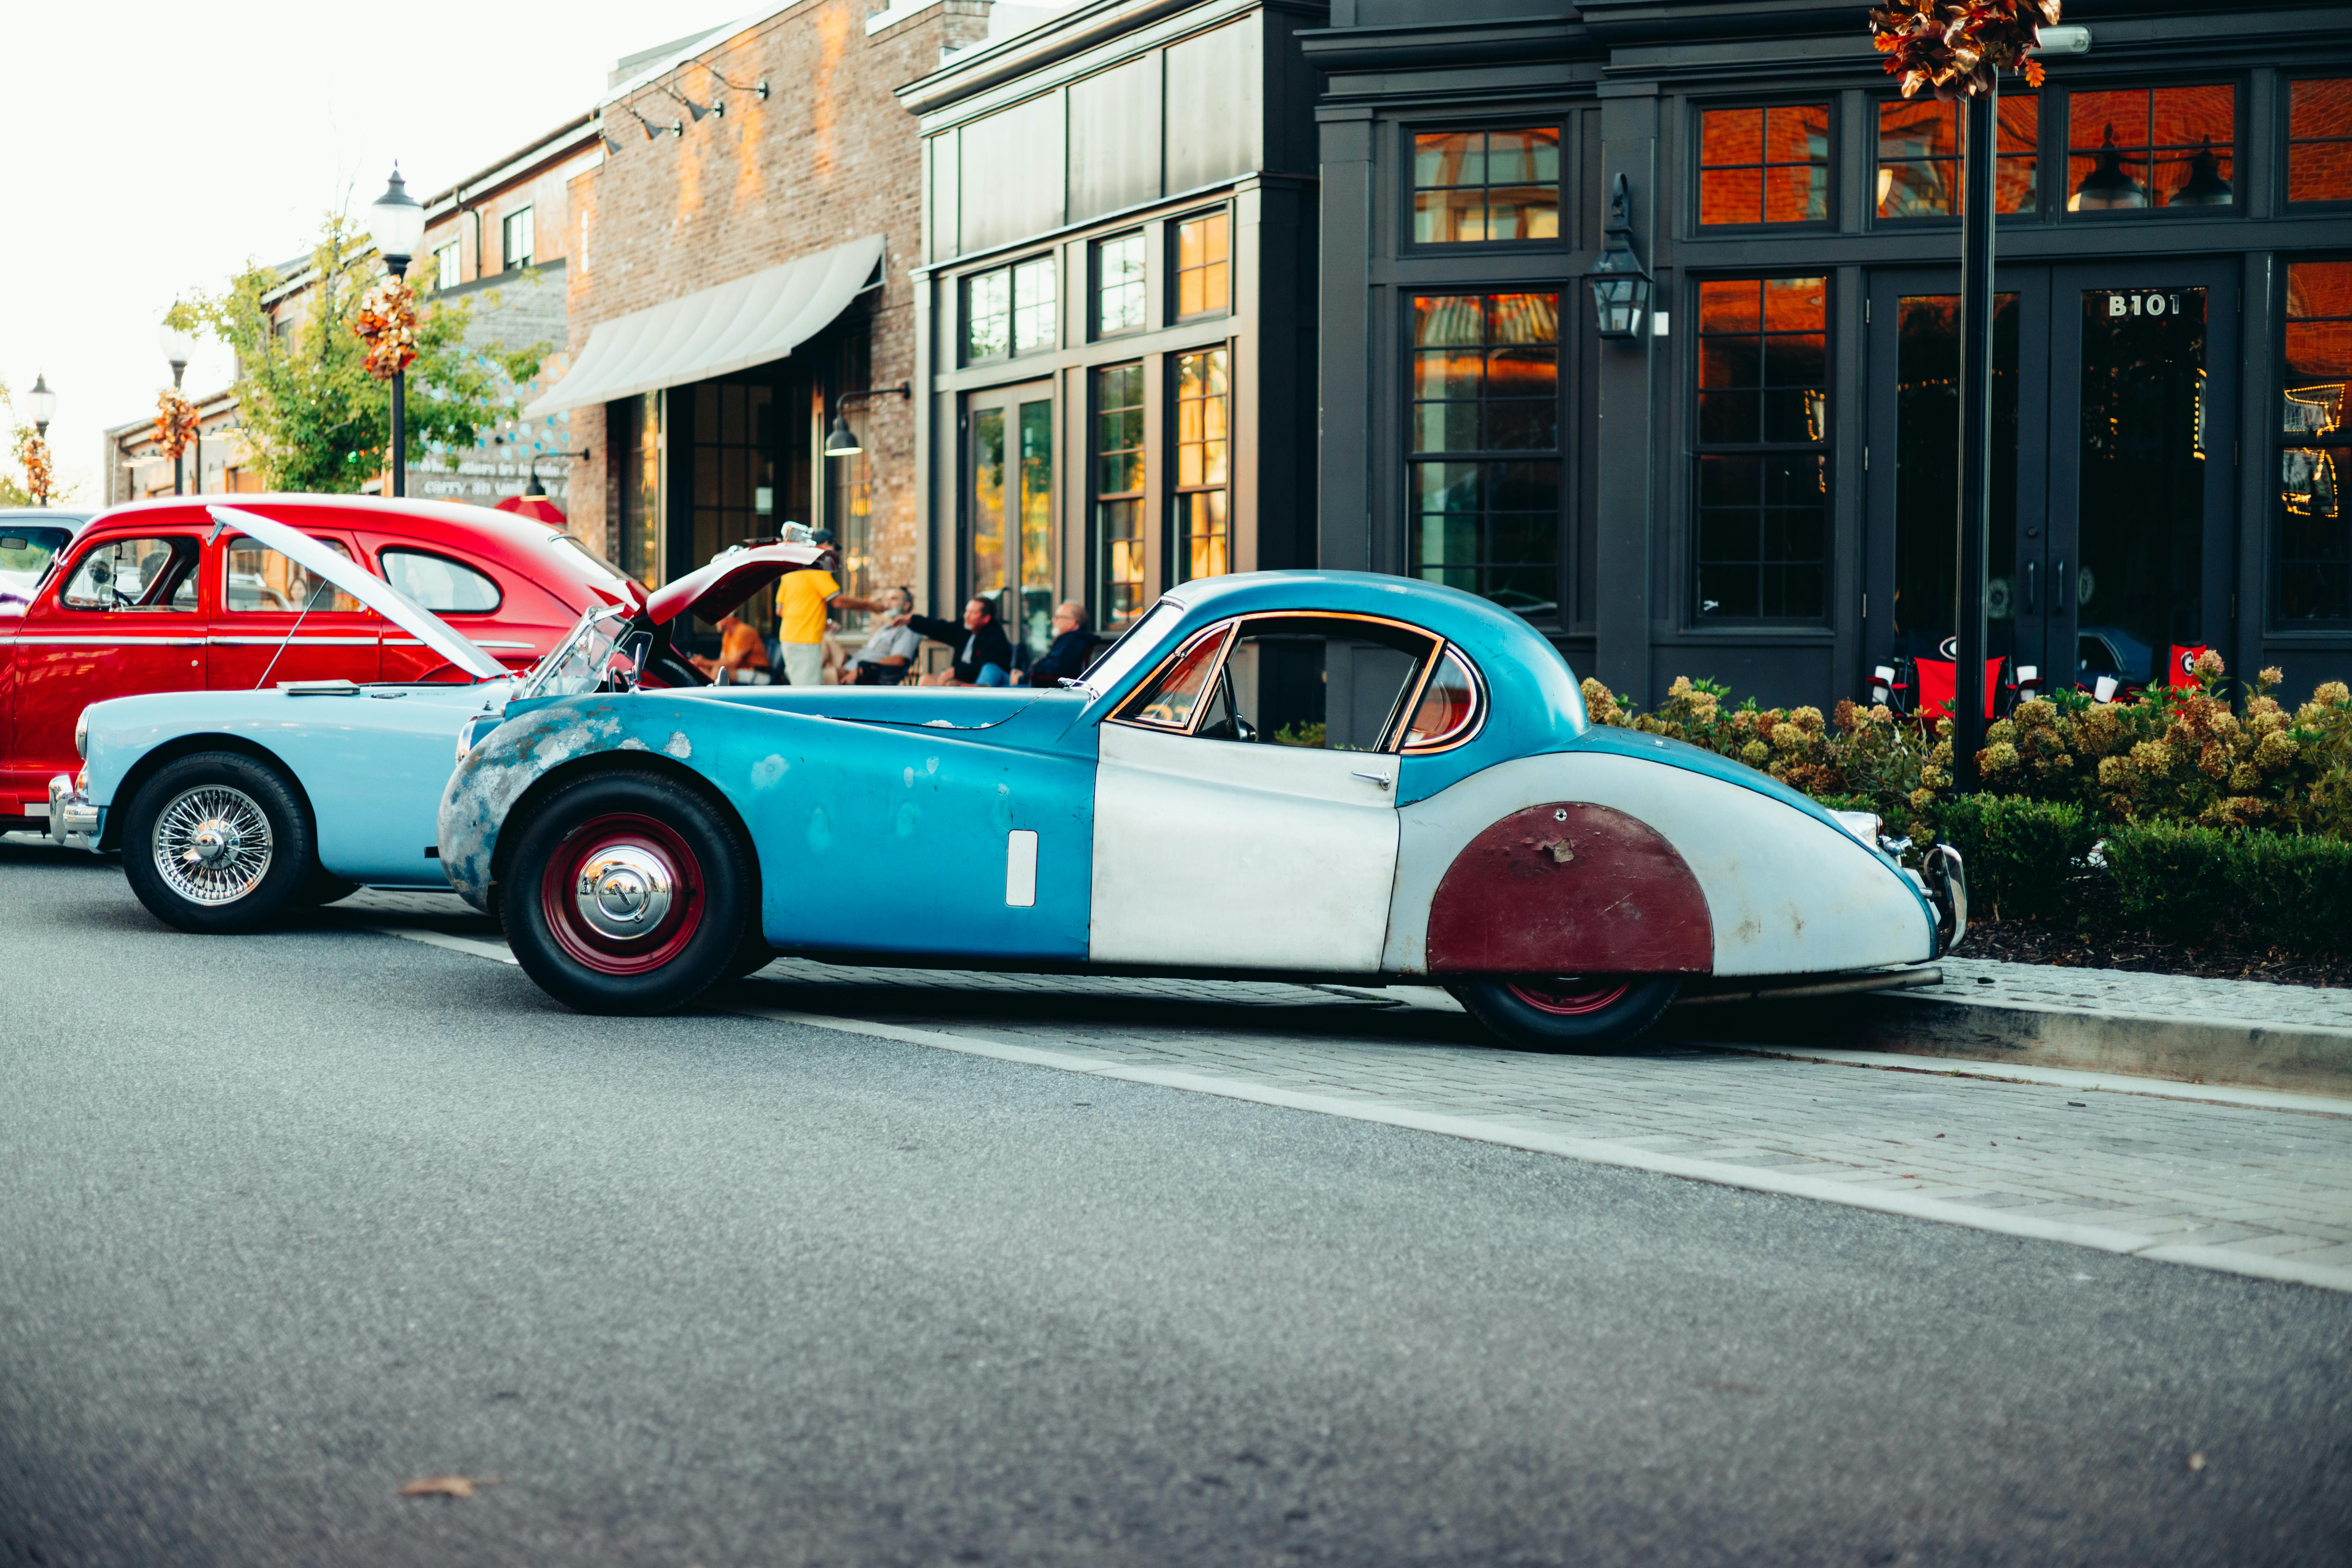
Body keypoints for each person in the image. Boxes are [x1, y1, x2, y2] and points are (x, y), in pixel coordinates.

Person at [773, 529, 890, 687]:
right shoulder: (816, 566)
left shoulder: (792, 570)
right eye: (834, 549)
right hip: (805, 639)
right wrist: (872, 606)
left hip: (789, 638)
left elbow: (780, 611)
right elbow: (838, 601)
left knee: (801, 688)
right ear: (827, 545)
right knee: (809, 693)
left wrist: (819, 621)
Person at [903, 596, 1012, 686]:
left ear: (986, 618)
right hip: (961, 681)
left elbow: (986, 666)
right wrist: (912, 620)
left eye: (973, 613)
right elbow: (940, 629)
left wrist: (956, 671)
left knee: (952, 684)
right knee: (926, 680)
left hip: (982, 685)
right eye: (966, 612)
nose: (966, 616)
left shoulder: (996, 637)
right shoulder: (964, 629)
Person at [847, 585, 923, 684]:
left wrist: (865, 669)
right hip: (851, 666)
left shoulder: (908, 630)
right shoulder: (885, 628)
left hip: (866, 677)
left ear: (907, 606)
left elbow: (899, 660)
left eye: (894, 599)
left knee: (826, 676)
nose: (887, 603)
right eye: (887, 600)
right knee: (828, 644)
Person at [1014, 601, 1094, 686]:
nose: (1054, 621)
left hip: (1043, 690)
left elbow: (1052, 670)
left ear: (1072, 622)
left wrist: (1021, 679)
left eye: (1058, 617)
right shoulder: (1073, 640)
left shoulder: (1072, 641)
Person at [688, 613, 770, 684]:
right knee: (703, 669)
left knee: (719, 672)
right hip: (741, 672)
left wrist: (704, 662)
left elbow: (734, 664)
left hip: (760, 675)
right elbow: (723, 661)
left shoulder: (744, 631)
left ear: (727, 618)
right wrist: (701, 664)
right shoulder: (728, 635)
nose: (715, 623)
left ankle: (712, 697)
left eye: (718, 619)